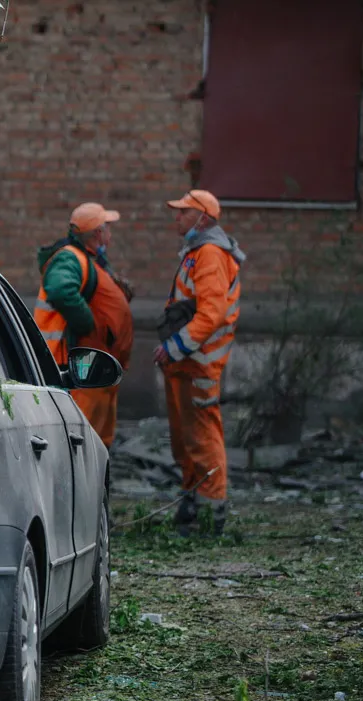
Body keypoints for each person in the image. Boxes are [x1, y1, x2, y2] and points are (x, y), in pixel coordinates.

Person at [154, 189, 245, 537]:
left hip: (199, 365)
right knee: (187, 439)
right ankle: (193, 504)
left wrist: (173, 347)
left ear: (203, 218)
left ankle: (210, 515)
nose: (176, 218)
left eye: (183, 213)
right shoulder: (198, 252)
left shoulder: (209, 253)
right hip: (186, 365)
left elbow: (211, 314)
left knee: (203, 438)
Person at [34, 202, 134, 449]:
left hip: (88, 356)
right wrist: (88, 323)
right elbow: (60, 290)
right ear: (98, 233)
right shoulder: (71, 258)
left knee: (92, 433)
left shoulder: (88, 260)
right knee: (78, 432)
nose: (110, 234)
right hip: (69, 357)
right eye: (107, 228)